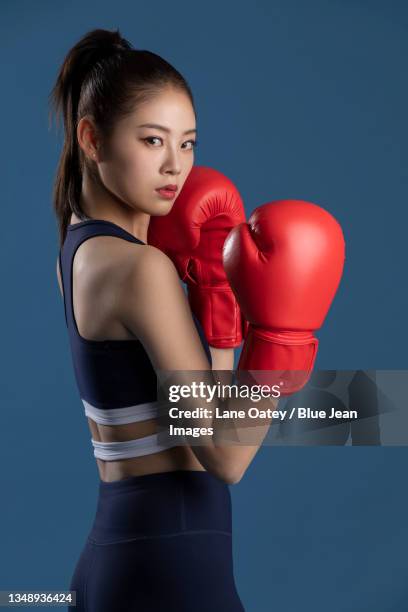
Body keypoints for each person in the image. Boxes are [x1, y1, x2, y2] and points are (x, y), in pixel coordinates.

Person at [50, 27, 250, 612]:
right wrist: (272, 335)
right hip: (172, 566)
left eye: (188, 143)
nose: (176, 166)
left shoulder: (76, 248)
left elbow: (173, 409)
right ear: (91, 137)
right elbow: (223, 450)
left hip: (122, 553)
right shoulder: (141, 270)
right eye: (152, 140)